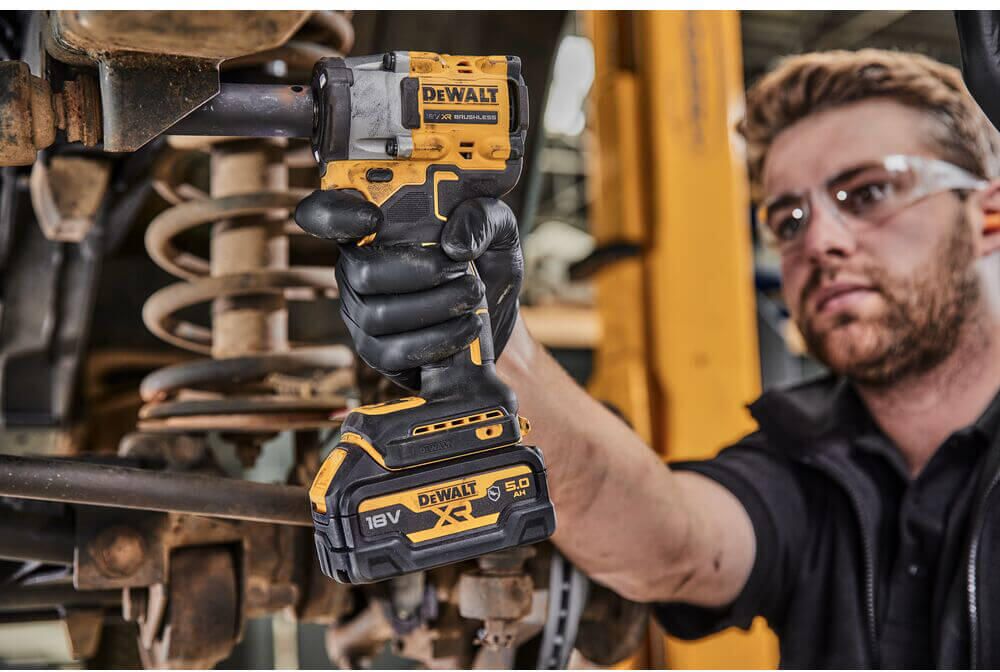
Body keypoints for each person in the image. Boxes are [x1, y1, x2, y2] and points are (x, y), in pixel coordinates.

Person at [295, 49, 1000, 668]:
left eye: (868, 192)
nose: (820, 241)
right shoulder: (812, 461)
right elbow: (674, 542)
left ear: (989, 215)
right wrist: (493, 338)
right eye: (789, 219)